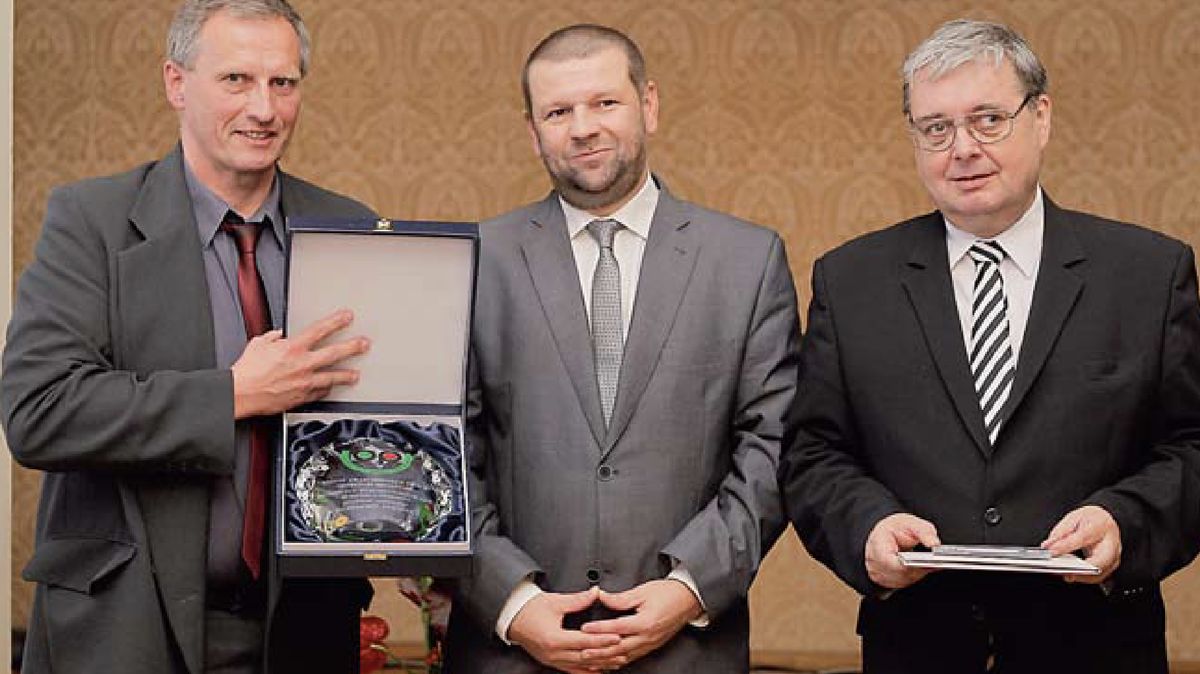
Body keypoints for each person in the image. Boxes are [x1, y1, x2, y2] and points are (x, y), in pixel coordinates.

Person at [780, 18, 1200, 674]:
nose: (962, 149)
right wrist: (867, 528)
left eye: (988, 120)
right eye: (936, 128)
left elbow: (1191, 448)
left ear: (1041, 117)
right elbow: (812, 454)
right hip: (919, 649)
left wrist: (1123, 522)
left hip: (1096, 648)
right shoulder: (852, 280)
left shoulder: (1148, 275)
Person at [1, 1, 375, 672]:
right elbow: (40, 412)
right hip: (123, 628)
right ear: (176, 83)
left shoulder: (349, 227)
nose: (263, 108)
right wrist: (233, 394)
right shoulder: (91, 221)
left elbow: (382, 416)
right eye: (236, 80)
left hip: (303, 632)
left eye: (282, 83)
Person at [446, 23, 800, 674]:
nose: (583, 128)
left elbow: (774, 448)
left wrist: (688, 587)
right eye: (558, 112)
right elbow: (443, 454)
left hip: (688, 651)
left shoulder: (746, 261)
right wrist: (514, 603)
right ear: (533, 132)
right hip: (511, 654)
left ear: (649, 105)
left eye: (604, 102)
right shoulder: (470, 261)